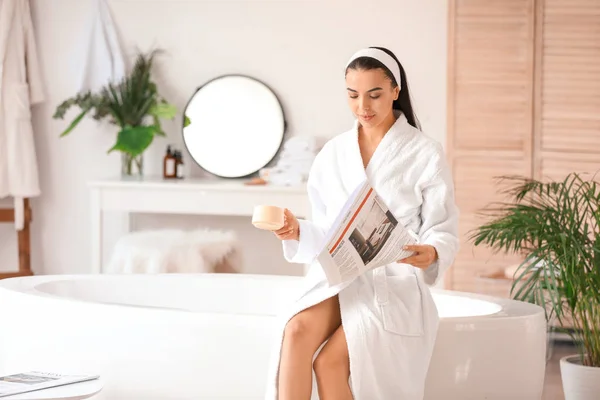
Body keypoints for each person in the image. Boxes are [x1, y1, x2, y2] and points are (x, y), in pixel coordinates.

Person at [263, 46, 460, 400]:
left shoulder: (424, 152)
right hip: (341, 276)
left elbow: (442, 227)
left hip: (392, 282)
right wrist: (298, 231)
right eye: (353, 96)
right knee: (294, 332)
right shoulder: (334, 153)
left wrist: (431, 252)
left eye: (375, 94)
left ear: (395, 92)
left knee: (328, 363)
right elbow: (326, 229)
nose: (363, 107)